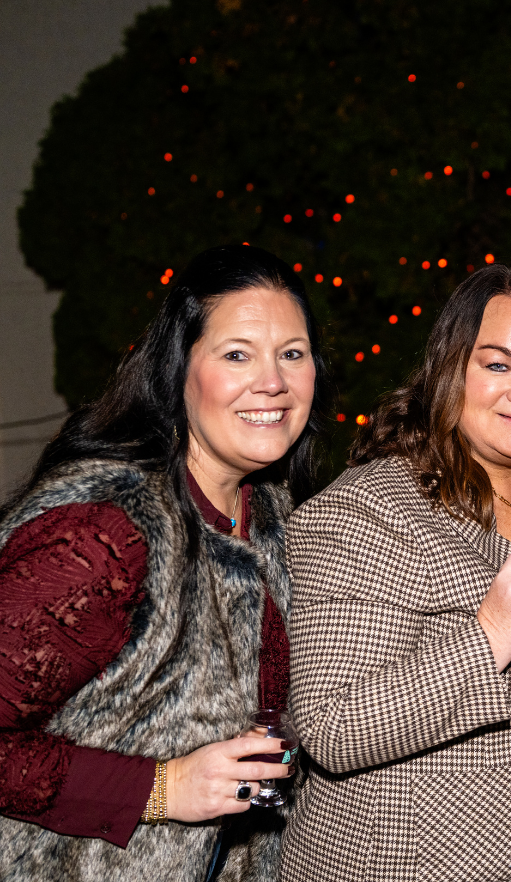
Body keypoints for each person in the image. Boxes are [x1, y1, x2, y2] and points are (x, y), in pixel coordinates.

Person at [0, 245, 331, 881]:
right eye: (237, 354)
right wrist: (161, 787)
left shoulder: (280, 519)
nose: (273, 381)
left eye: (292, 353)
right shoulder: (105, 531)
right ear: (180, 372)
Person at [280, 264, 511, 882]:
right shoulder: (368, 511)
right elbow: (330, 726)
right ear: (449, 370)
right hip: (412, 859)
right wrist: (490, 635)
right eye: (496, 364)